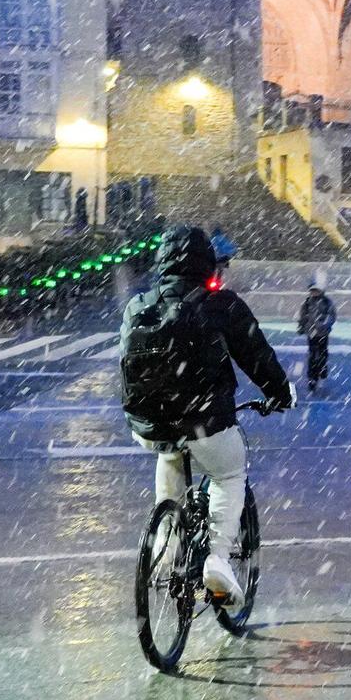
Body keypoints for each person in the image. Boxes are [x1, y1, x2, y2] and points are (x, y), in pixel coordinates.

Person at [120, 225, 291, 604]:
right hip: (205, 421)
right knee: (229, 473)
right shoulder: (220, 304)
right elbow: (258, 358)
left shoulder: (139, 306)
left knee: (170, 456)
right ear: (208, 263)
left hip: (149, 423)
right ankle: (217, 559)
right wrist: (279, 393)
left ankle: (166, 542)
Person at [297, 281, 337, 393]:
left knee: (323, 353)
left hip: (323, 333)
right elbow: (303, 316)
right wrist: (301, 326)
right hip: (311, 333)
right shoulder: (307, 303)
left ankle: (322, 369)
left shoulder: (327, 302)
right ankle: (312, 378)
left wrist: (324, 324)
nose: (313, 293)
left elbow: (332, 316)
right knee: (312, 355)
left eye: (316, 290)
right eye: (312, 291)